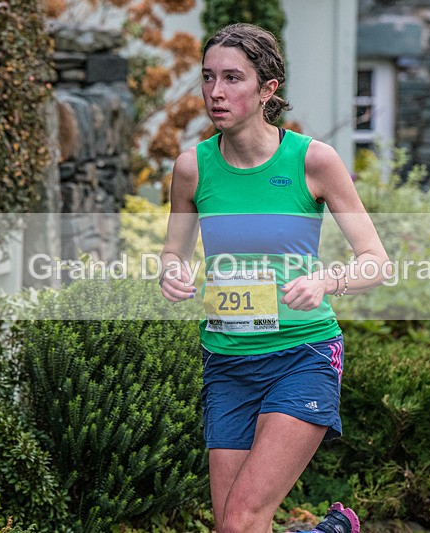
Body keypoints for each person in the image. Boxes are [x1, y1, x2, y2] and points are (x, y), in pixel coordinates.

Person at [160, 22, 388, 533]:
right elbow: (172, 254)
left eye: (234, 78)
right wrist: (172, 275)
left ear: (268, 90)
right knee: (234, 527)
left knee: (242, 517)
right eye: (208, 77)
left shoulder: (312, 161)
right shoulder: (192, 169)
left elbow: (376, 261)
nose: (216, 92)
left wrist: (326, 282)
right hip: (227, 361)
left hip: (300, 355)